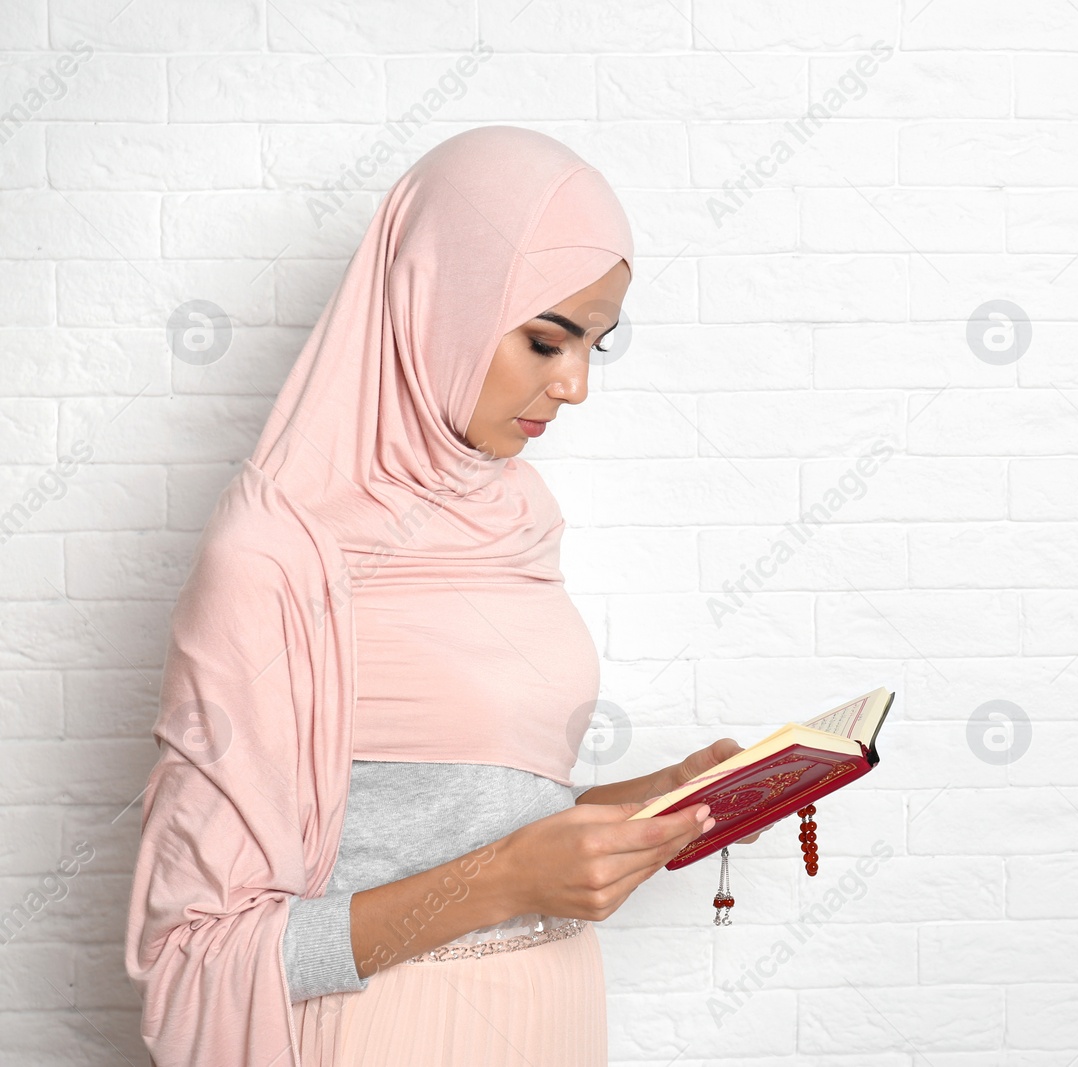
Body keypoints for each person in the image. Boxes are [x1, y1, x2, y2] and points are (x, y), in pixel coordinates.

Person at [124, 125, 762, 1067]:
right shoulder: (277, 553)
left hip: (553, 1018)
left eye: (596, 344)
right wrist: (502, 881)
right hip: (392, 1033)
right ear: (435, 302)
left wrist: (644, 806)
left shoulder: (514, 518)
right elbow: (193, 956)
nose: (576, 384)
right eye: (548, 339)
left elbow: (469, 807)